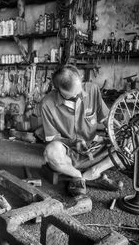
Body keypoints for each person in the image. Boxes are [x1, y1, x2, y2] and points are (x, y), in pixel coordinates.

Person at [40, 65, 122, 196]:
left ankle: (94, 172)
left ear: (81, 78)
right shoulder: (47, 104)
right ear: (58, 90)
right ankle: (78, 175)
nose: (79, 95)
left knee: (130, 143)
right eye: (72, 94)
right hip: (68, 152)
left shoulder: (92, 89)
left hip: (93, 148)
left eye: (79, 90)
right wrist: (72, 142)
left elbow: (106, 119)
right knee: (50, 152)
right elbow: (52, 138)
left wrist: (120, 130)